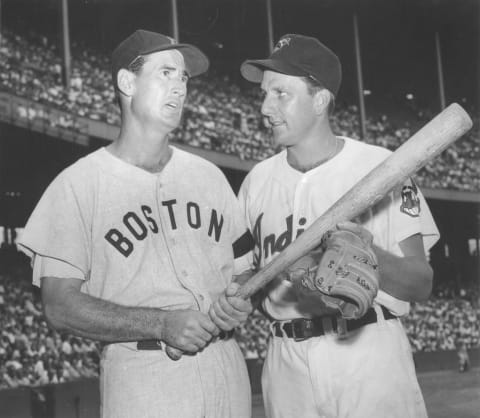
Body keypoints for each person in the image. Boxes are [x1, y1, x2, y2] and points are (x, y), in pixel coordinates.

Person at [19, 29, 254, 418]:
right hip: (146, 376)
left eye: (183, 78)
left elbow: (246, 274)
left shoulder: (209, 176)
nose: (179, 87)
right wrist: (160, 323)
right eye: (165, 73)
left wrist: (240, 299)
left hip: (227, 365)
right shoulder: (78, 184)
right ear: (127, 82)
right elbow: (58, 305)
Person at [239, 34, 440, 418]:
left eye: (281, 93)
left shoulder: (380, 167)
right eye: (264, 94)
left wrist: (366, 258)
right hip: (285, 364)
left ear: (320, 99)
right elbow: (250, 278)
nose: (265, 107)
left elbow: (421, 282)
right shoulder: (255, 183)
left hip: (366, 354)